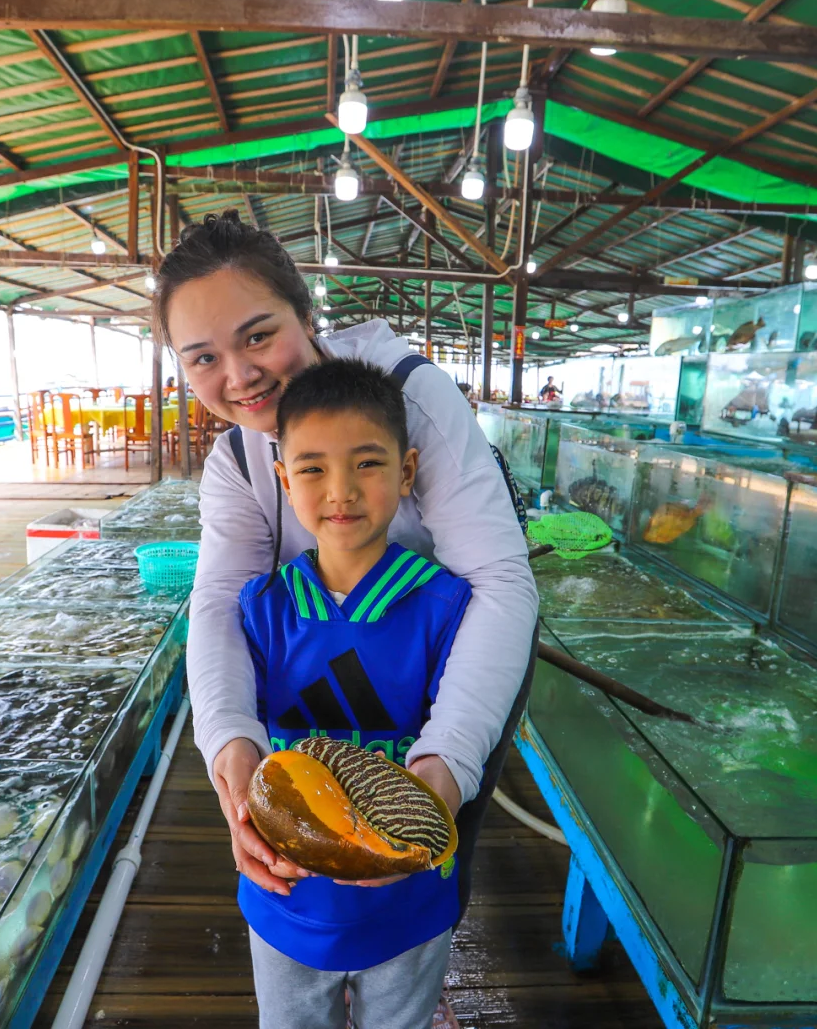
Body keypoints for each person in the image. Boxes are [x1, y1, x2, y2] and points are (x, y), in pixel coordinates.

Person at [153, 211, 538, 1023]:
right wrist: (229, 742)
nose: (240, 375)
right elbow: (219, 600)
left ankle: (411, 980)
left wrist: (446, 763)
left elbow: (501, 581)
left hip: (441, 652)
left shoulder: (409, 398)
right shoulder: (235, 457)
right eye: (204, 359)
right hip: (320, 664)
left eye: (259, 336)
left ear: (306, 317)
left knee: (428, 856)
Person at [238, 358, 472, 1029]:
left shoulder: (445, 605)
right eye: (311, 469)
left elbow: (458, 739)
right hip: (286, 900)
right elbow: (243, 733)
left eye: (367, 464)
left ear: (406, 473)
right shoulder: (264, 606)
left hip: (409, 902)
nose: (340, 490)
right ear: (284, 481)